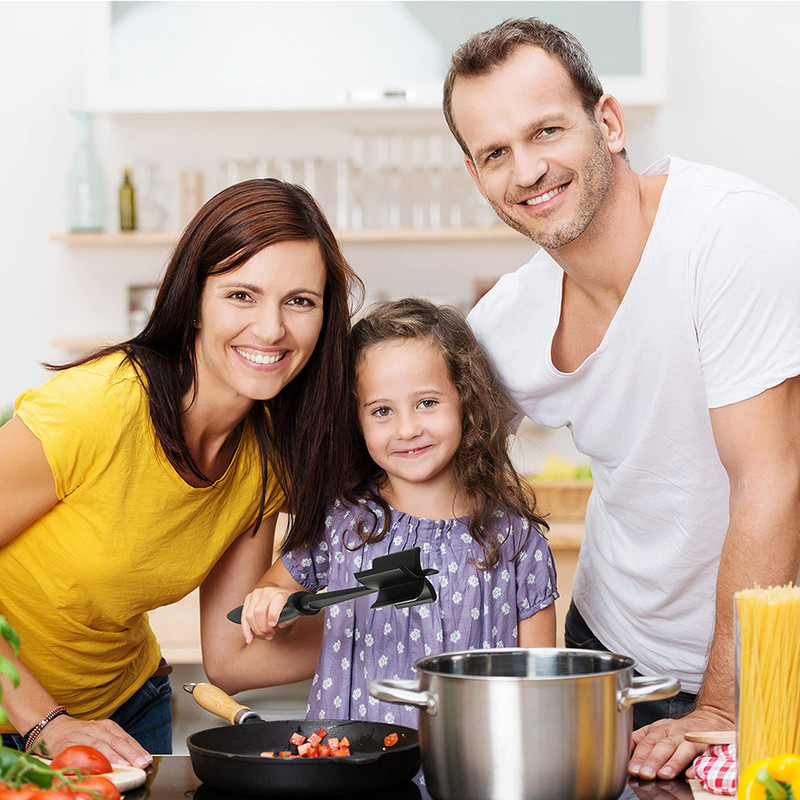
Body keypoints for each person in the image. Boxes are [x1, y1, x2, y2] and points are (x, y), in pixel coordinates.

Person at [443, 17, 800, 781]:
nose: (528, 170)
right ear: (477, 178)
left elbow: (770, 481)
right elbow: (424, 456)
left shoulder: (730, 235)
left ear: (607, 122)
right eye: (496, 153)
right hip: (610, 649)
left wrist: (720, 707)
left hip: (764, 667)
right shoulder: (506, 321)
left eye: (546, 131)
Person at [0, 179, 361, 765]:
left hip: (126, 711)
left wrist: (400, 632)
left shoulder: (267, 456)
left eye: (300, 300)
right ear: (193, 300)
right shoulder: (96, 408)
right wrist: (46, 722)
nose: (271, 329)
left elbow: (231, 655)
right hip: (22, 721)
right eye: (242, 295)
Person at [239, 298, 558, 727]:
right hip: (352, 765)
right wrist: (271, 604)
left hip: (470, 769)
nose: (407, 429)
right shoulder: (343, 522)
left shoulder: (516, 540)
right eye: (382, 411)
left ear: (466, 399)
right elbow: (275, 589)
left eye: (427, 402)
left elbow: (539, 687)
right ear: (357, 421)